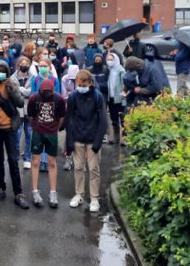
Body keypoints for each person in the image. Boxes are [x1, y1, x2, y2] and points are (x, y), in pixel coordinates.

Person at [0, 61, 30, 209]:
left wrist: (13, 89)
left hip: (10, 127)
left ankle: (18, 193)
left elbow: (21, 103)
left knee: (13, 160)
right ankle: (1, 188)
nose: (1, 74)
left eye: (3, 71)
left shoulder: (11, 84)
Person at [65, 70, 107, 213]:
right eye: (79, 84)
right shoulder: (73, 97)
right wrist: (69, 142)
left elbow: (103, 121)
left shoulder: (97, 96)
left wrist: (97, 143)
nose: (81, 86)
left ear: (90, 83)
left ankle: (94, 198)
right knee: (78, 168)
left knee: (94, 169)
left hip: (92, 138)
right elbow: (69, 119)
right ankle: (79, 194)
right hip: (77, 138)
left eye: (83, 84)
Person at [27, 78, 66, 209]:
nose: (46, 95)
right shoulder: (34, 98)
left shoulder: (59, 99)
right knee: (36, 161)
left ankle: (53, 192)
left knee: (52, 162)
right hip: (38, 132)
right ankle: (35, 191)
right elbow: (31, 116)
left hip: (51, 133)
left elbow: (61, 117)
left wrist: (55, 128)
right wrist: (36, 127)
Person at [11, 56, 34, 170]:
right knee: (17, 135)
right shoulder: (12, 78)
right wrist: (24, 92)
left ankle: (27, 158)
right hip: (17, 110)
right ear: (18, 64)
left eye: (26, 63)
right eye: (22, 63)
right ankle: (15, 157)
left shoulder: (33, 78)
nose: (24, 64)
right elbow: (13, 93)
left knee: (29, 134)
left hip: (29, 110)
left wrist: (21, 90)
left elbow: (32, 92)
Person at [105, 53, 125, 144]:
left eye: (111, 59)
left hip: (120, 98)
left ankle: (124, 138)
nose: (109, 61)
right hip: (111, 98)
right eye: (108, 59)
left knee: (123, 118)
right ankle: (116, 137)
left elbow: (124, 84)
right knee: (114, 118)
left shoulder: (121, 70)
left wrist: (123, 94)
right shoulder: (108, 70)